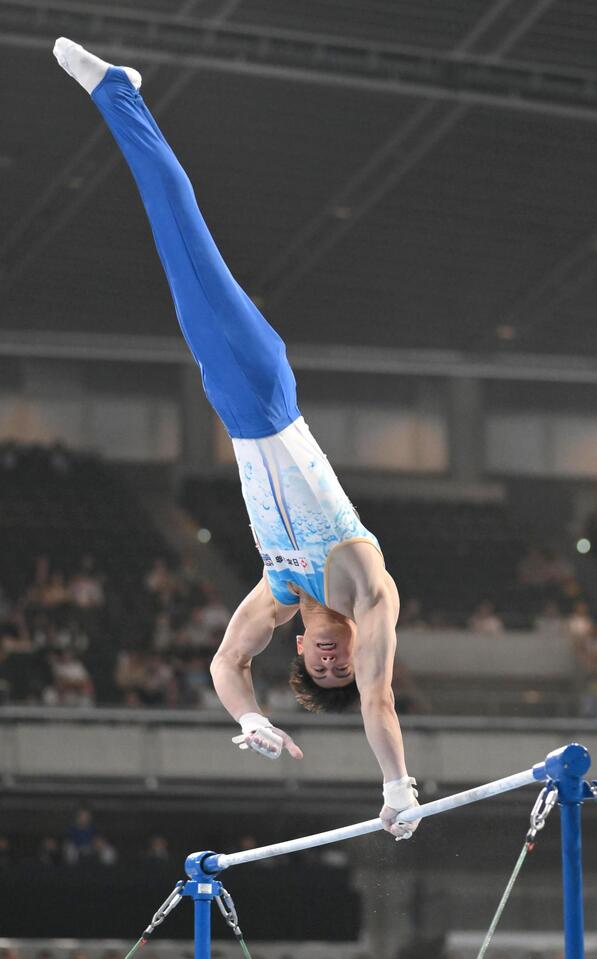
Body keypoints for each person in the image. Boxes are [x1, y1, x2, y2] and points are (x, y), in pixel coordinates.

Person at [53, 38, 420, 840]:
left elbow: (225, 663)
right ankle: (120, 93)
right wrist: (396, 784)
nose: (328, 661)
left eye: (313, 667)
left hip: (230, 404)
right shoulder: (368, 587)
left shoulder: (279, 592)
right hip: (266, 394)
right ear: (352, 650)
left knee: (175, 240)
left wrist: (249, 718)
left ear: (298, 650)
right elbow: (381, 696)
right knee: (179, 232)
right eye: (337, 667)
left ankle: (125, 98)